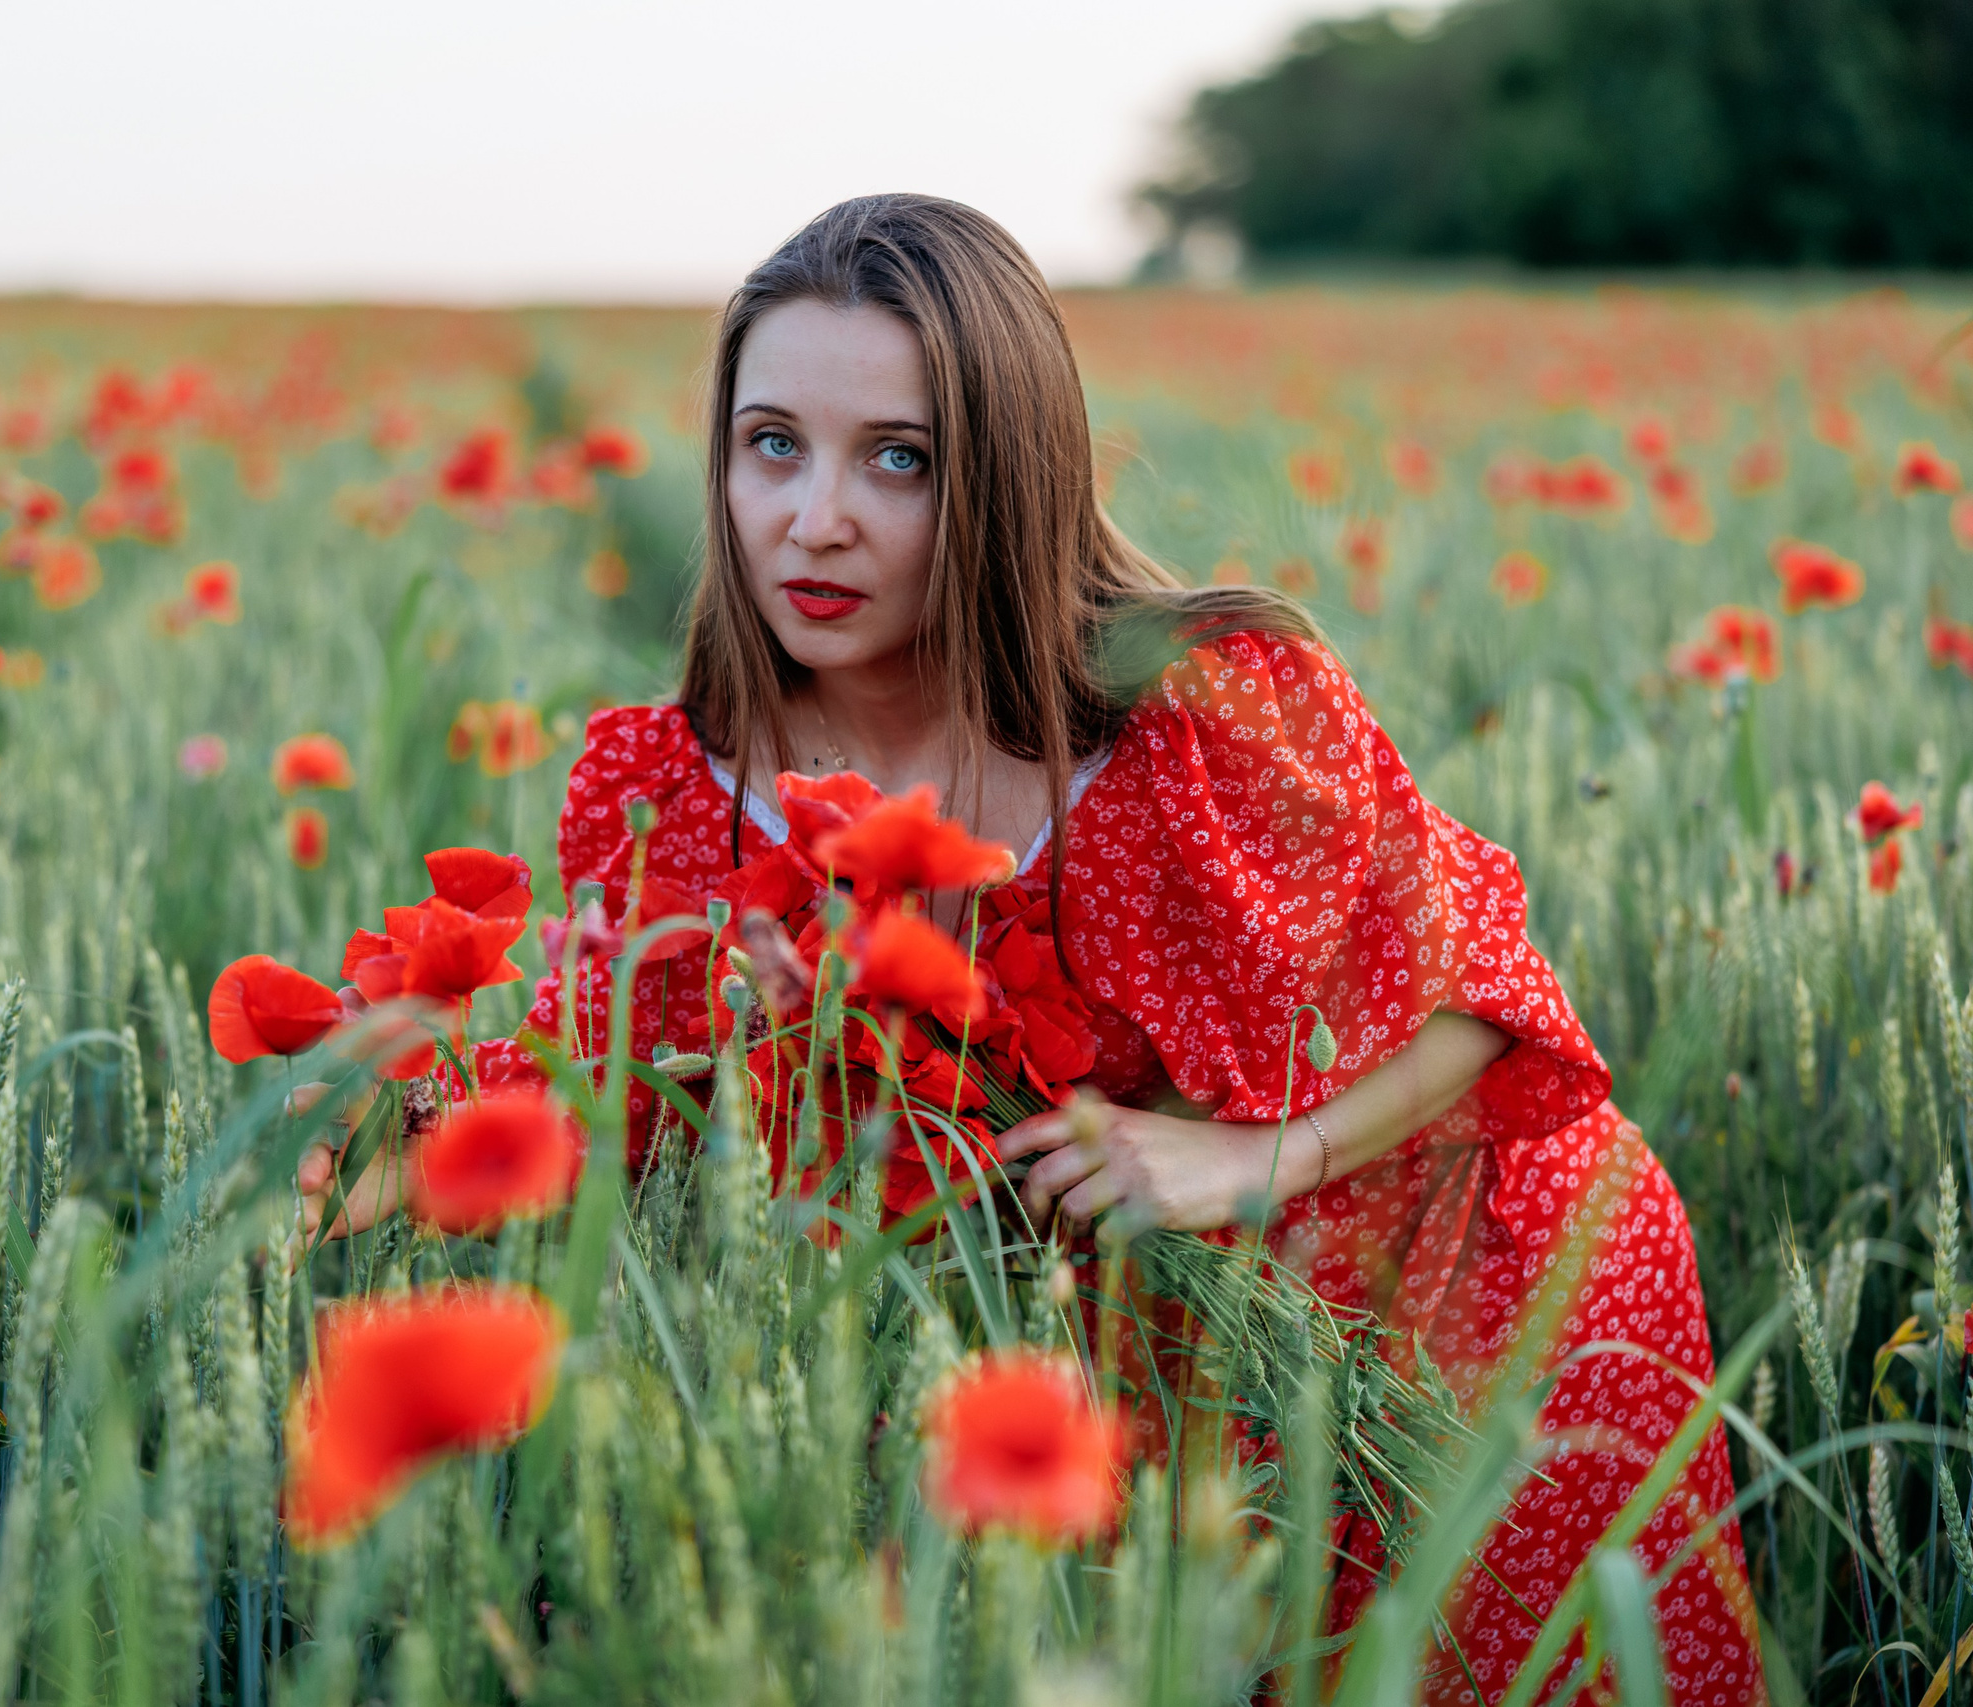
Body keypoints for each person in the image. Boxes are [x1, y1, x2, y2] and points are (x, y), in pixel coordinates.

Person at [307, 193, 1756, 1702]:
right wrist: (391, 1120)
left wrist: (1260, 1160)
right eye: (772, 443)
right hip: (1067, 1378)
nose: (814, 518)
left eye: (899, 459)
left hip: (1429, 1299)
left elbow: (1483, 990)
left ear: (1005, 475)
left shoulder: (1194, 722)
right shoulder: (677, 797)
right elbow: (619, 1114)